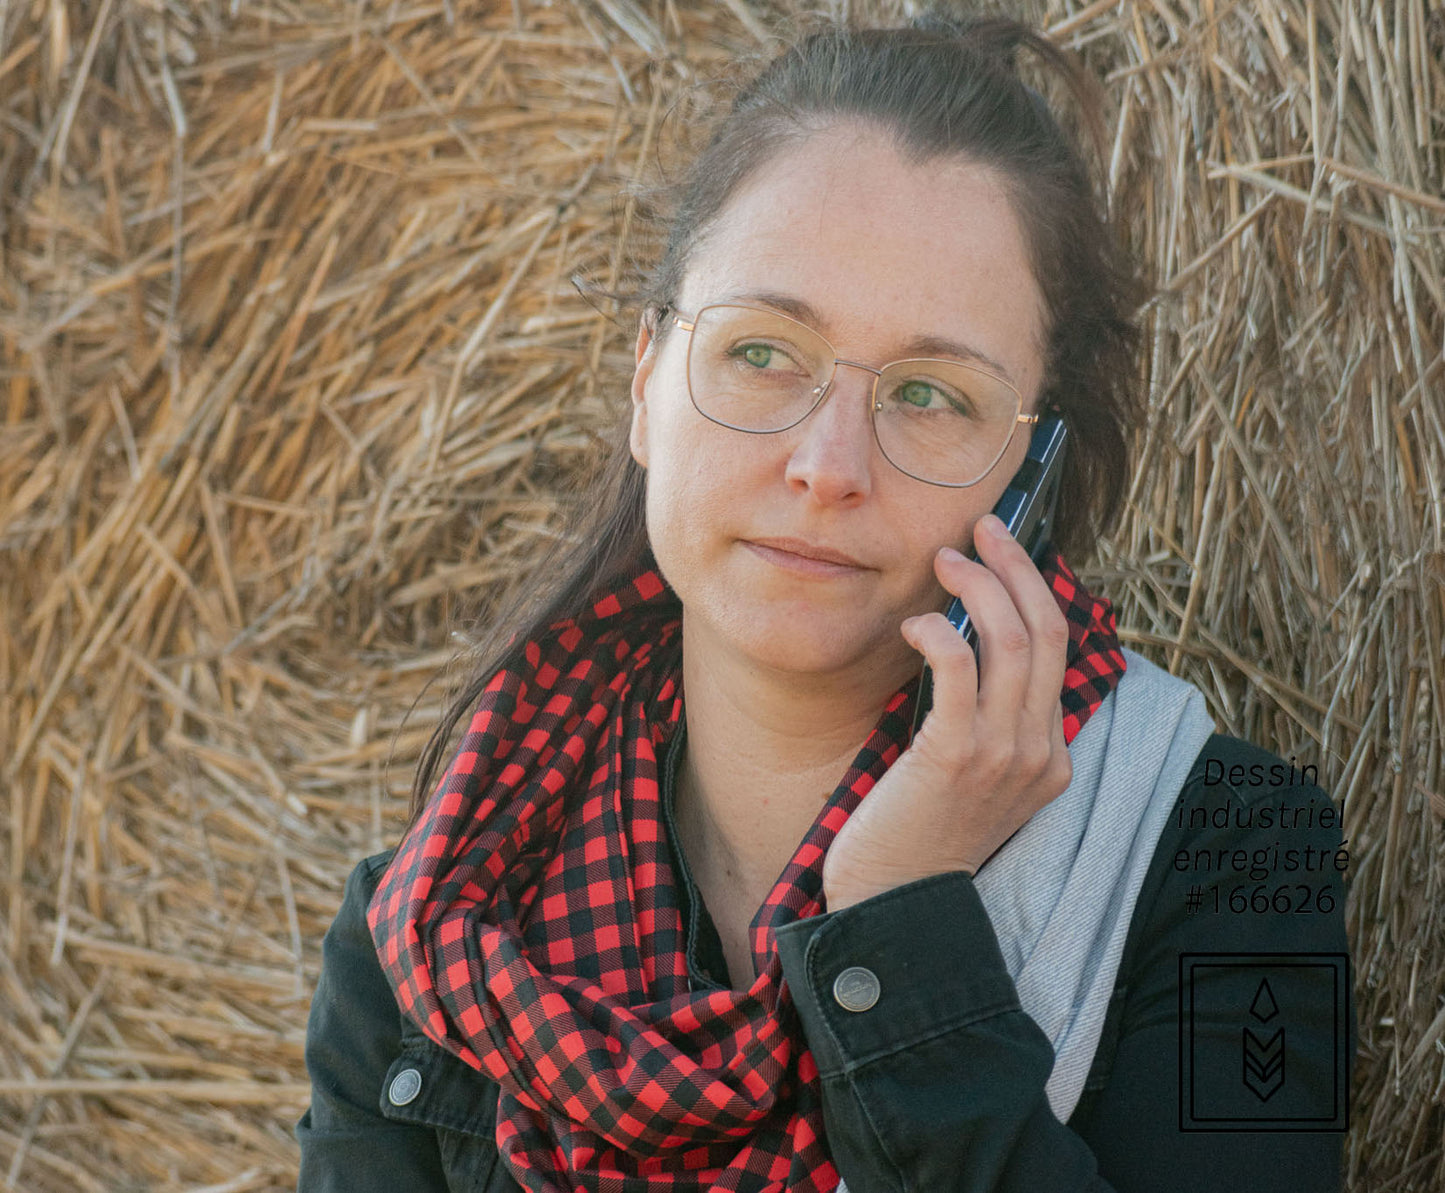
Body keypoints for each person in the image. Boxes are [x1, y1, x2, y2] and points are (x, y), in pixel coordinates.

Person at [296, 13, 1355, 1192]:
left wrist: (897, 928)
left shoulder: (1235, 858)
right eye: (760, 352)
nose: (828, 462)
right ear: (647, 383)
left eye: (927, 392)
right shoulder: (431, 927)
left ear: (1035, 472)